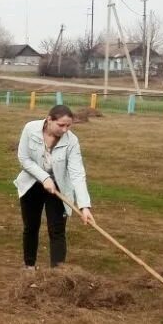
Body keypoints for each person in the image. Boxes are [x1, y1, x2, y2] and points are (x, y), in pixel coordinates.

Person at [15, 104, 94, 268]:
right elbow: (24, 159)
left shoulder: (72, 141)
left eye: (68, 125)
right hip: (32, 184)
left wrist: (84, 206)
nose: (65, 130)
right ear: (49, 120)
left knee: (57, 231)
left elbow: (77, 173)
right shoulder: (30, 129)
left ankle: (57, 275)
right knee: (31, 226)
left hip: (58, 188)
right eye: (61, 125)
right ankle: (29, 267)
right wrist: (44, 178)